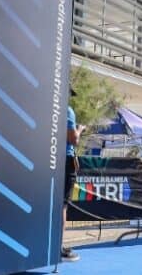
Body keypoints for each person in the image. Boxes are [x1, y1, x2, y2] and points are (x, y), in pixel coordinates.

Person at [62, 88, 85, 262]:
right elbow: (73, 140)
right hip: (65, 160)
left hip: (45, 158)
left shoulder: (43, 108)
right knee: (62, 205)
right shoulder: (67, 110)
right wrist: (80, 129)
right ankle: (58, 247)